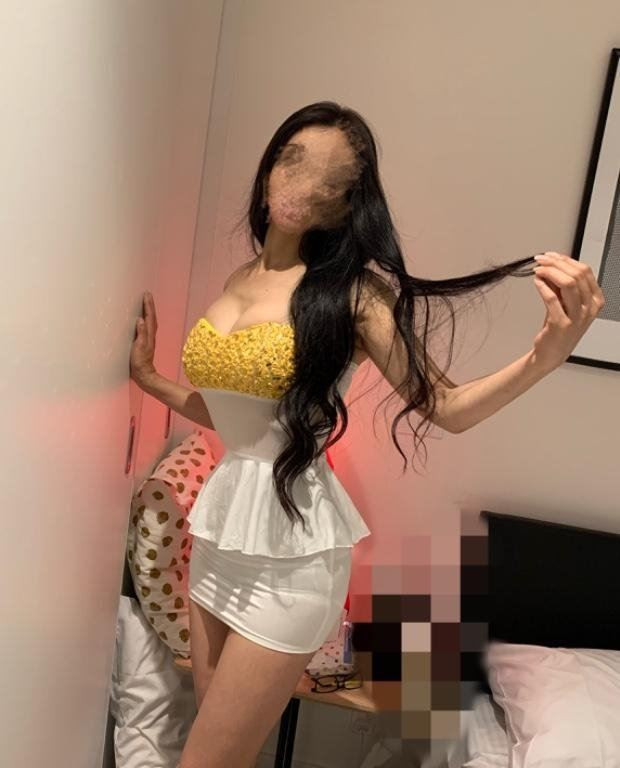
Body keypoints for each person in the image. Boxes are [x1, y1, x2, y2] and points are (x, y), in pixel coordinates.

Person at [129, 101, 605, 768]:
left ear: (346, 204)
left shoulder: (354, 296)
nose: (301, 183)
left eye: (330, 178)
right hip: (217, 538)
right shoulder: (242, 278)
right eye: (292, 160)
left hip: (290, 562)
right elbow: (233, 416)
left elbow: (447, 406)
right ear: (268, 170)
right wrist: (151, 379)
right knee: (216, 748)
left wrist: (543, 358)